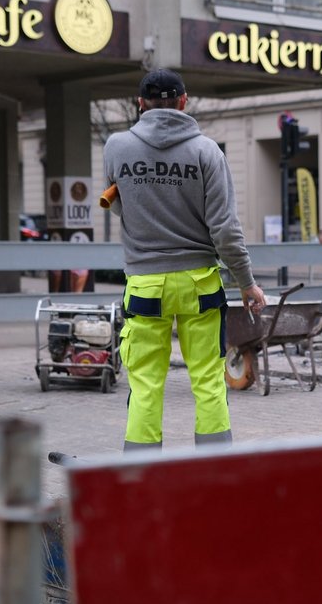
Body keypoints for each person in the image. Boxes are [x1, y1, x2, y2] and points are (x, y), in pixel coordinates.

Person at [103, 68, 266, 451]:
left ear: (139, 104)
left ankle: (141, 474)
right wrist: (246, 282)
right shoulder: (207, 151)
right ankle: (213, 471)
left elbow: (120, 207)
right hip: (200, 285)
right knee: (209, 381)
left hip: (145, 284)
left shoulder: (116, 146)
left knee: (144, 384)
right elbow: (225, 228)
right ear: (184, 101)